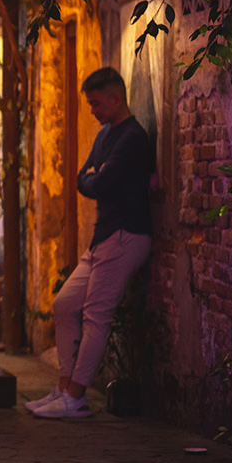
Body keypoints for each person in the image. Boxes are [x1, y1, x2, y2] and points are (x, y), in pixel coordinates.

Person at [28, 66, 154, 419]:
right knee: (65, 304)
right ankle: (64, 388)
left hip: (126, 234)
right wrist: (92, 177)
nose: (92, 110)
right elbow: (83, 178)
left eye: (97, 103)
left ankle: (76, 396)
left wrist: (93, 177)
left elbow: (101, 184)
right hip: (103, 237)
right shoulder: (104, 136)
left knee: (96, 315)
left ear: (117, 99)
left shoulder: (132, 137)